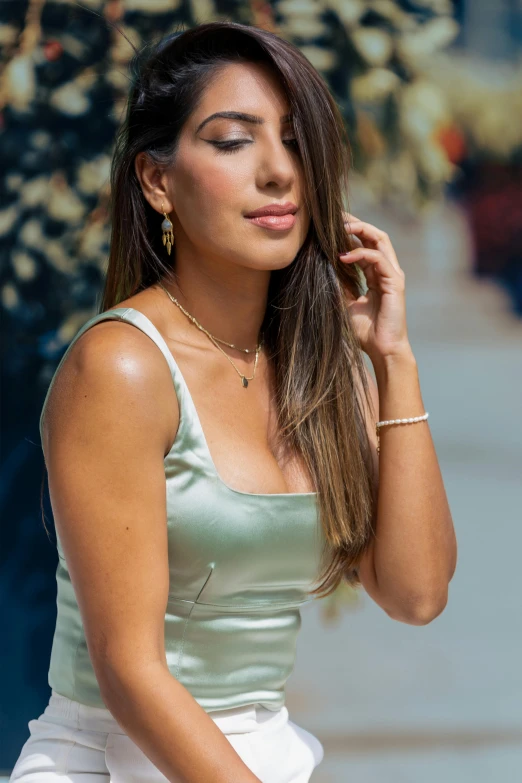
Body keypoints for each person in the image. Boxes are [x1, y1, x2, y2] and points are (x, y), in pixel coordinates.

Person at [10, 20, 457, 783]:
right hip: (116, 761)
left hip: (262, 755)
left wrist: (394, 358)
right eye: (232, 141)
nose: (279, 171)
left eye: (294, 139)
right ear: (157, 181)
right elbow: (129, 669)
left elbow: (415, 593)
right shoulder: (119, 367)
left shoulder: (315, 367)